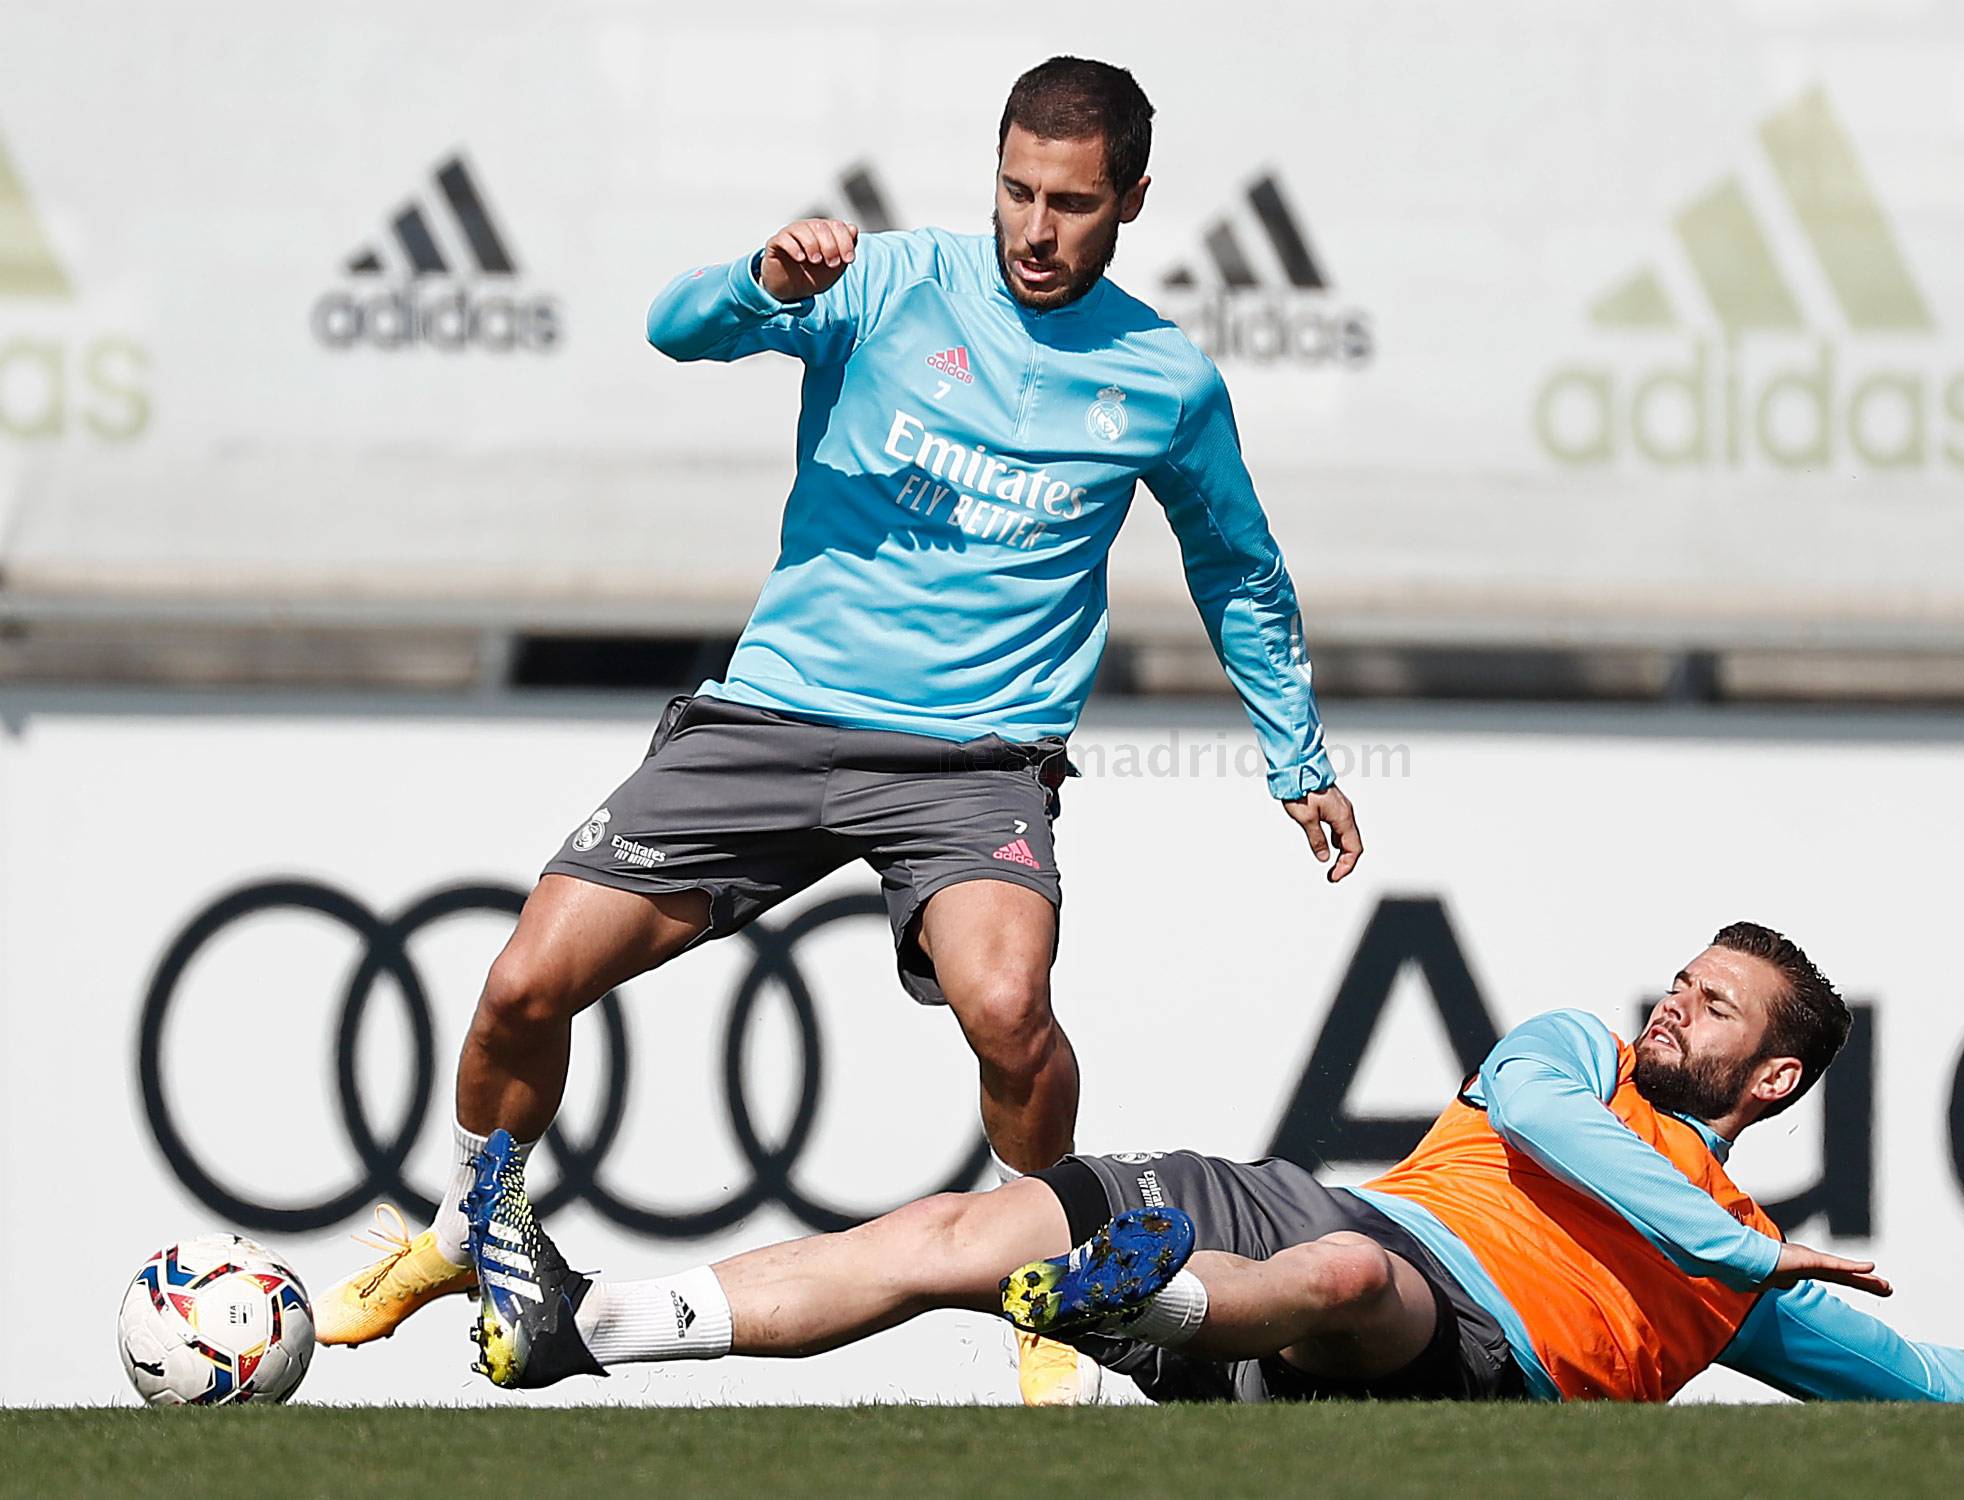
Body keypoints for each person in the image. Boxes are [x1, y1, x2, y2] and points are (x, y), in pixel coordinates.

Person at [313, 54, 1363, 1407]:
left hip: (977, 760)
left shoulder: (1161, 381)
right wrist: (762, 282)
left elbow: (1237, 566)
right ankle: (471, 1227)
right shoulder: (878, 284)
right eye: (1016, 191)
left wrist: (1298, 756)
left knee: (1009, 1011)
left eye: (1073, 204)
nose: (1037, 230)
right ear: (991, 172)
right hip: (777, 720)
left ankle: (1046, 1291)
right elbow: (673, 330)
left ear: (1134, 202)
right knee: (523, 984)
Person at [455, 921, 1964, 1404]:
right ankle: (593, 1325)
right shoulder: (1570, 1057)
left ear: (1772, 1075)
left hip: (1448, 1352)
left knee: (1343, 1292)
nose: (1672, 1007)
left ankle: (1149, 1303)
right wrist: (1724, 1250)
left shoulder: (1740, 1277)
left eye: (1713, 1011)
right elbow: (1551, 1130)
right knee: (953, 1224)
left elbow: (1925, 1381)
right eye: (1682, 979)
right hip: (1313, 1198)